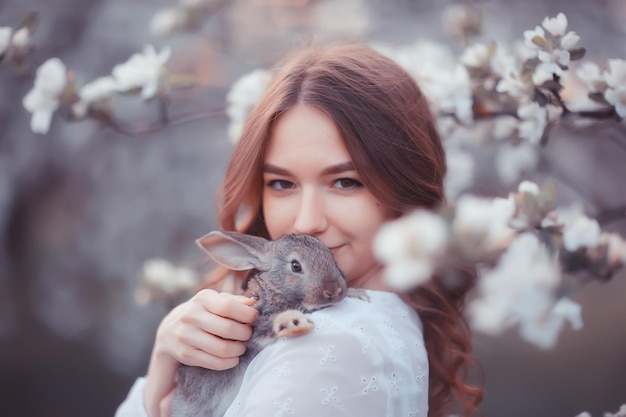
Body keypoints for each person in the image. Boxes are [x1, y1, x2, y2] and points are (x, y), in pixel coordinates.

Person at [116, 43, 483, 417]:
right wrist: (166, 360)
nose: (307, 222)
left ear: (403, 187)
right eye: (281, 184)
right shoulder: (368, 329)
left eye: (344, 182)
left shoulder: (323, 345)